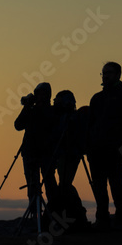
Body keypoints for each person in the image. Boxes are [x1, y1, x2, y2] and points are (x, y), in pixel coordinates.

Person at [87, 62, 122, 229]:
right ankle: (102, 219)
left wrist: (119, 142)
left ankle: (121, 218)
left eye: (108, 72)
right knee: (99, 185)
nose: (105, 76)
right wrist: (90, 144)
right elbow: (90, 123)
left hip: (115, 148)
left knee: (116, 182)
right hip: (96, 150)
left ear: (118, 74)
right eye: (103, 73)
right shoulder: (96, 98)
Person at [49, 90, 89, 228]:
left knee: (65, 184)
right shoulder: (60, 117)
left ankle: (75, 216)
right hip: (64, 154)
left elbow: (74, 137)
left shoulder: (73, 118)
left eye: (57, 100)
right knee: (64, 184)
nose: (54, 103)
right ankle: (72, 216)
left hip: (70, 154)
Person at [14, 82, 55, 212]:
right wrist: (27, 107)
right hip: (30, 152)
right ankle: (34, 215)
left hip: (46, 153)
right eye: (38, 94)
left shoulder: (52, 111)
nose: (40, 97)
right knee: (32, 185)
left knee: (49, 182)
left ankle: (53, 211)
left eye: (43, 94)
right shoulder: (31, 110)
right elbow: (18, 125)